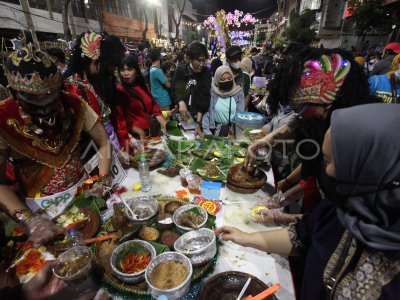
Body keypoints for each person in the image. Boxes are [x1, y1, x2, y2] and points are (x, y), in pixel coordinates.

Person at [216, 103, 400, 299]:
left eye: (331, 162)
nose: (326, 171)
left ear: (374, 165)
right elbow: (303, 235)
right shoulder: (346, 206)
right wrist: (244, 237)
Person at [0, 39, 112, 242]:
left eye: (51, 99)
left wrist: (103, 181)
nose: (45, 109)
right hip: (38, 211)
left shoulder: (73, 103)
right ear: (14, 92)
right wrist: (27, 219)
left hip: (85, 197)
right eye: (34, 103)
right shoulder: (3, 119)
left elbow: (104, 142)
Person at [247, 48, 375, 221]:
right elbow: (312, 176)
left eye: (300, 109)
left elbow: (326, 223)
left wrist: (281, 215)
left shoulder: (351, 141)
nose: (297, 116)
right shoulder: (322, 118)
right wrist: (279, 200)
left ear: (327, 102)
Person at [65, 31, 125, 151]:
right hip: (94, 148)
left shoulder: (93, 81)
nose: (109, 69)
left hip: (108, 144)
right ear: (93, 60)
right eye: (105, 64)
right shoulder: (75, 87)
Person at [115, 55, 166, 142]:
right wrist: (140, 132)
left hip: (152, 132)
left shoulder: (143, 86)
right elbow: (121, 119)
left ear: (136, 71)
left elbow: (154, 104)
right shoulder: (120, 90)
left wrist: (164, 124)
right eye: (122, 70)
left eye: (129, 69)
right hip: (136, 137)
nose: (126, 73)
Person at [172, 41, 212, 137]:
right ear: (190, 58)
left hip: (197, 115)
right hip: (181, 115)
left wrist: (197, 124)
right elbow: (176, 92)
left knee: (195, 139)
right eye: (198, 60)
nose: (202, 64)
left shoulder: (206, 73)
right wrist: (181, 102)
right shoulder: (181, 70)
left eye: (204, 60)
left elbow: (204, 99)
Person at [202, 66, 244, 137]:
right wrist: (208, 133)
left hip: (232, 132)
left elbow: (240, 114)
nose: (226, 81)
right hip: (215, 131)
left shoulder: (238, 92)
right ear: (217, 80)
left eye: (229, 78)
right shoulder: (212, 91)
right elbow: (207, 113)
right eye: (223, 79)